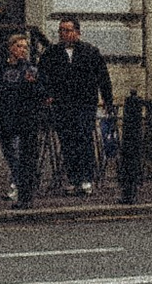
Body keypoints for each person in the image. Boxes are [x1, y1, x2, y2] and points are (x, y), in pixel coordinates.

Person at [40, 16, 113, 194]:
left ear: (77, 32)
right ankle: (73, 179)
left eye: (67, 30)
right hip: (62, 104)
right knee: (67, 142)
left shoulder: (90, 52)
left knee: (84, 139)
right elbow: (42, 76)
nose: (63, 34)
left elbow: (103, 78)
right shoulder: (51, 53)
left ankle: (87, 178)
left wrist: (107, 101)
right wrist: (46, 95)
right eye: (61, 30)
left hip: (84, 103)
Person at [0, 26, 45, 209]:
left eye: (25, 47)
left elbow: (40, 93)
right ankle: (20, 182)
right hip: (5, 119)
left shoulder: (31, 70)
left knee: (18, 153)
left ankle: (20, 184)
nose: (23, 50)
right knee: (10, 152)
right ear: (11, 48)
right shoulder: (0, 69)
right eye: (19, 46)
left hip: (23, 120)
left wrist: (34, 86)